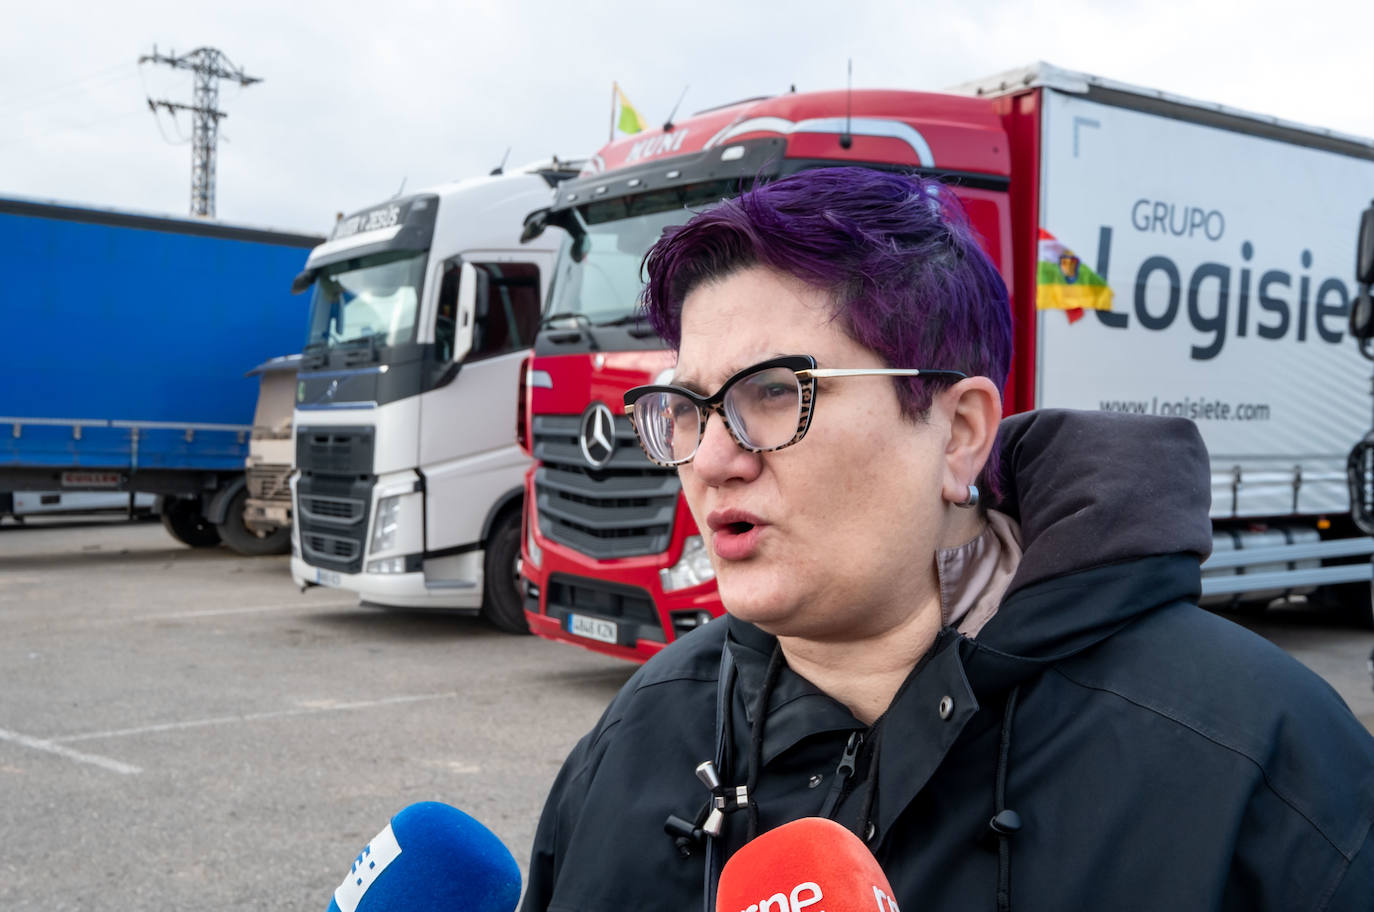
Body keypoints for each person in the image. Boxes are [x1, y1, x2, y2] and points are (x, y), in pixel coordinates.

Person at [521, 168, 1374, 912]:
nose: (710, 461)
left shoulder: (1256, 757)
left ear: (961, 432)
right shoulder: (640, 730)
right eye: (689, 408)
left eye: (774, 391)